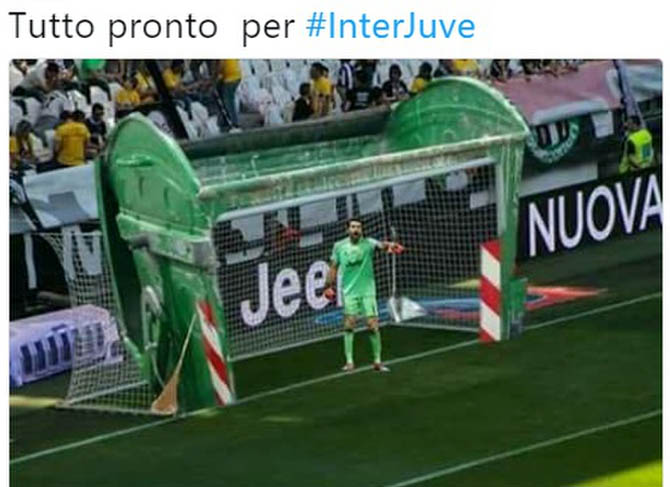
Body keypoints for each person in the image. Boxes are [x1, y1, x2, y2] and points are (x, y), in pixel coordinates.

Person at [323, 218, 404, 372]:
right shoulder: (339, 246)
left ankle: (377, 362)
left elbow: (383, 245)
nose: (356, 230)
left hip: (368, 291)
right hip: (349, 292)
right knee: (349, 324)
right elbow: (333, 267)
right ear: (347, 230)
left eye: (359, 227)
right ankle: (349, 362)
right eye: (353, 227)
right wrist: (327, 286)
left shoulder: (369, 243)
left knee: (372, 325)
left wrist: (393, 246)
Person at [216, 59, 242, 129]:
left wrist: (215, 75)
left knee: (229, 101)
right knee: (227, 98)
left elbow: (221, 64)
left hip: (230, 78)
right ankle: (225, 120)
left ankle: (234, 123)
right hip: (237, 74)